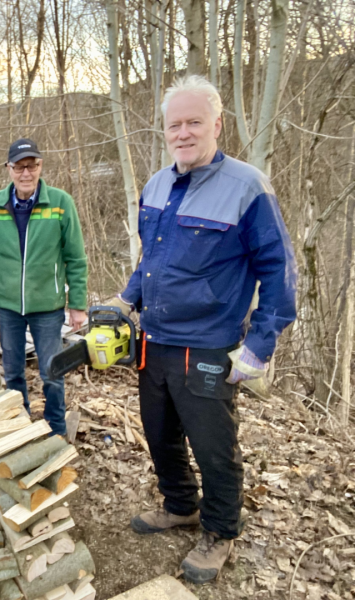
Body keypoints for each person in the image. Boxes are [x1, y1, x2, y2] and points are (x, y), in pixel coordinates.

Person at [106, 75, 297, 583]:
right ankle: (180, 505)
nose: (183, 133)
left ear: (217, 124)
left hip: (209, 344)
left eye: (194, 122)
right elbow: (152, 261)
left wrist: (259, 345)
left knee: (213, 445)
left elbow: (279, 270)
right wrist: (125, 299)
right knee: (159, 433)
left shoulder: (247, 187)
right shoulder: (156, 185)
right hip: (155, 339)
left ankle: (220, 530)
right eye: (175, 125)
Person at [0, 138, 88, 436]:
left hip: (47, 307)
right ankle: (19, 425)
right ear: (9, 169)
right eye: (19, 167)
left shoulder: (60, 203)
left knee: (52, 372)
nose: (26, 173)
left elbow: (76, 258)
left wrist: (77, 304)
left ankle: (56, 427)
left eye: (32, 166)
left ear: (40, 166)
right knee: (13, 371)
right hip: (8, 306)